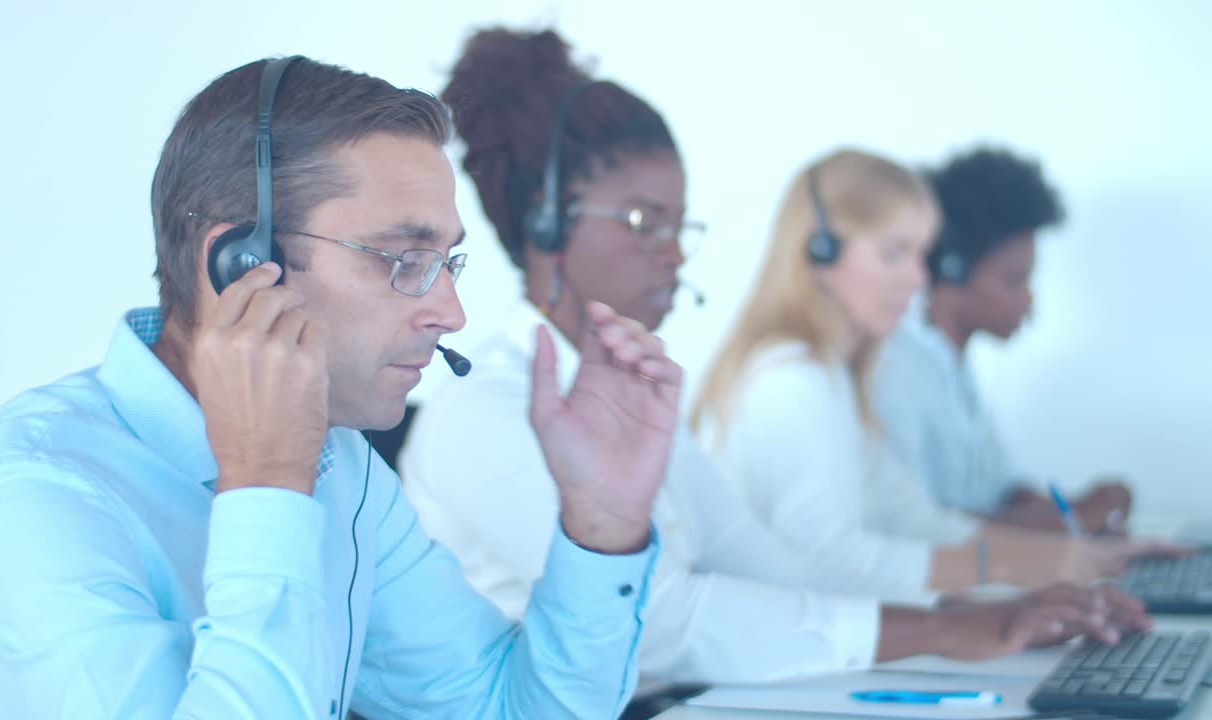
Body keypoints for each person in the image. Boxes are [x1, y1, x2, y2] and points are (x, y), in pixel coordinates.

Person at [0, 55, 685, 719]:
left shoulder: (341, 465)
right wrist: (265, 491)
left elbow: (509, 709)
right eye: (401, 257)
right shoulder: (33, 497)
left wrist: (600, 525)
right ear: (240, 264)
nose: (450, 314)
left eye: (447, 262)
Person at [400, 28, 1151, 694]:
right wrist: (951, 630)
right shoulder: (485, 413)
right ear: (545, 226)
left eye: (678, 223)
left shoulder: (635, 390)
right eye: (641, 221)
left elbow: (767, 563)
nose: (673, 252)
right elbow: (656, 619)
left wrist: (979, 614)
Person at [691, 149, 1173, 602]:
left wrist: (1069, 560)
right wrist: (1013, 575)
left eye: (920, 256)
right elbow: (829, 552)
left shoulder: (836, 377)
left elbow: (913, 516)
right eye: (895, 253)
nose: (919, 279)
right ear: (821, 253)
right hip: (752, 665)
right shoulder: (790, 381)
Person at [875, 146, 1132, 532]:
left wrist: (1064, 506)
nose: (1028, 299)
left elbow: (1000, 491)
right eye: (1015, 281)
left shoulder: (953, 366)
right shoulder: (894, 373)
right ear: (952, 270)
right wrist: (1072, 520)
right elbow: (914, 529)